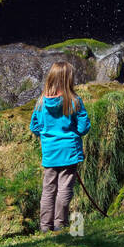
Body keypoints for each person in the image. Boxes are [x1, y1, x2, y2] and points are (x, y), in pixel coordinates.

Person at [29, 61, 91, 233]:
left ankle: (45, 226)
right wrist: (72, 132)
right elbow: (83, 127)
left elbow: (34, 126)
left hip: (49, 153)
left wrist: (47, 134)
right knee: (64, 188)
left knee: (48, 190)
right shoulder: (74, 101)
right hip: (69, 152)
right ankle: (60, 224)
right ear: (68, 80)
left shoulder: (41, 102)